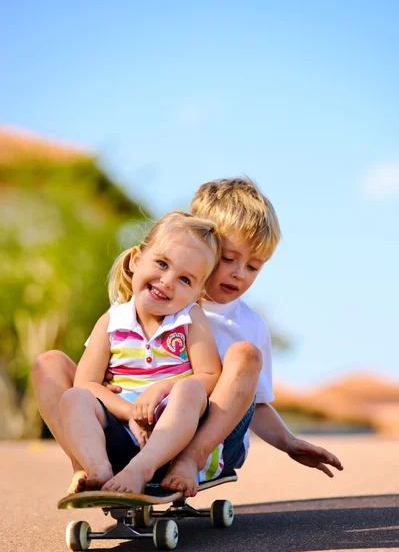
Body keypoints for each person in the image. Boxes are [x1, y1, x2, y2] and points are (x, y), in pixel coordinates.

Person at [32, 177, 343, 497]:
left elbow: (253, 403)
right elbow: (92, 380)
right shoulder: (144, 303)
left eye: (253, 266)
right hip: (131, 424)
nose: (239, 273)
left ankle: (187, 460)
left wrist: (289, 442)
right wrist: (115, 397)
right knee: (50, 364)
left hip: (210, 439)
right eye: (228, 258)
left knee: (241, 356)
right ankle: (87, 466)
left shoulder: (242, 324)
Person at [57, 211, 223, 493]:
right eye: (161, 263)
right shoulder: (112, 322)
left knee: (190, 390)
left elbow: (210, 374)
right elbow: (86, 382)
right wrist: (131, 412)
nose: (168, 281)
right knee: (74, 397)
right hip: (122, 435)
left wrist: (162, 389)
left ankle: (141, 469)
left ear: (197, 294)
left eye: (185, 280)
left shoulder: (189, 319)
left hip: (175, 443)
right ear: (135, 260)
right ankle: (98, 467)